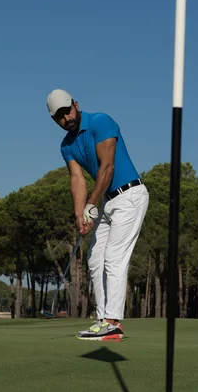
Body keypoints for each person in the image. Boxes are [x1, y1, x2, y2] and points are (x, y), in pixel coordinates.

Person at [46, 89, 149, 341]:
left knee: (114, 258)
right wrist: (81, 213)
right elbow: (77, 178)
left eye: (67, 110)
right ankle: (103, 319)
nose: (66, 118)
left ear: (76, 105)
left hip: (130, 195)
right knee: (95, 259)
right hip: (107, 201)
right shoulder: (66, 145)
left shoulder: (100, 121)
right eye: (59, 116)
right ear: (54, 120)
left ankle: (113, 323)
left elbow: (108, 166)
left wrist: (92, 203)